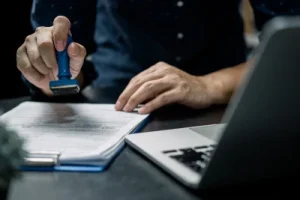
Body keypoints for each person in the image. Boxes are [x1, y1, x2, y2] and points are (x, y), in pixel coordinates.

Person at [16, 0, 299, 114]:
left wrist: (209, 85)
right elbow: (65, 61)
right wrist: (50, 75)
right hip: (115, 107)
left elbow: (291, 47)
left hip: (227, 105)